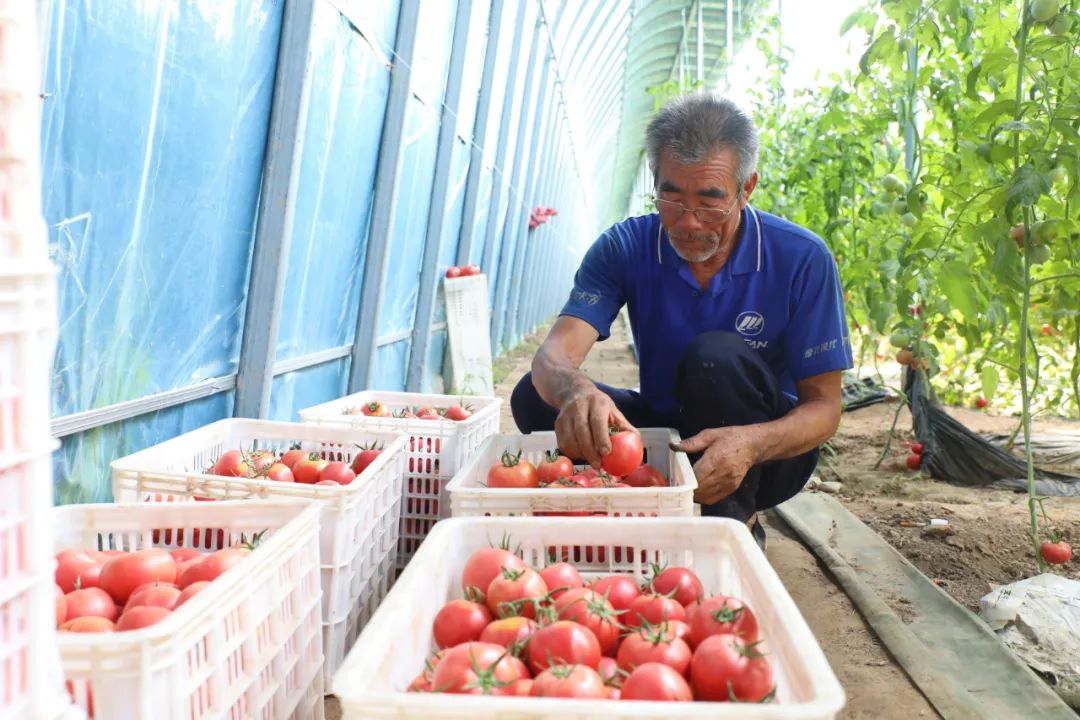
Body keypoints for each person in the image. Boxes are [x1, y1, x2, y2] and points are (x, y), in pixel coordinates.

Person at [510, 94, 852, 548]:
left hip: (762, 454)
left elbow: (825, 408)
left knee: (717, 356)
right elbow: (554, 355)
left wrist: (752, 443)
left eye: (711, 203)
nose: (689, 223)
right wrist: (576, 389)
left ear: (745, 189)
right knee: (535, 397)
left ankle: (733, 527)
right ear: (656, 181)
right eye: (671, 198)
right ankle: (625, 505)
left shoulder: (801, 258)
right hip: (667, 434)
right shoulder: (626, 247)